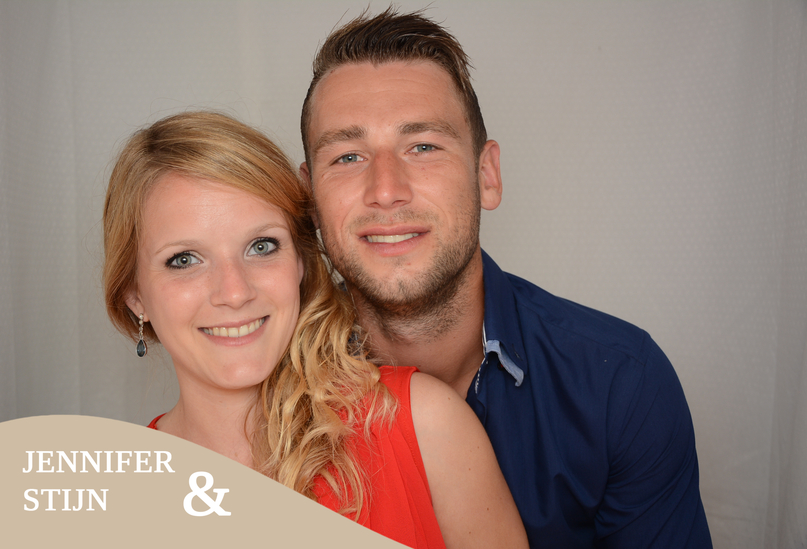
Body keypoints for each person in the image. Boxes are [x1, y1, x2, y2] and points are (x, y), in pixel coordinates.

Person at [298, 7, 712, 548]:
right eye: (348, 156)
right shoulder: (270, 388)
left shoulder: (621, 385)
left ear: (486, 175)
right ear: (310, 198)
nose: (386, 190)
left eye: (423, 147)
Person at [102, 111, 527, 549]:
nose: (234, 292)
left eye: (261, 246)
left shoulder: (422, 426)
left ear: (300, 263)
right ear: (134, 294)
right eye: (184, 260)